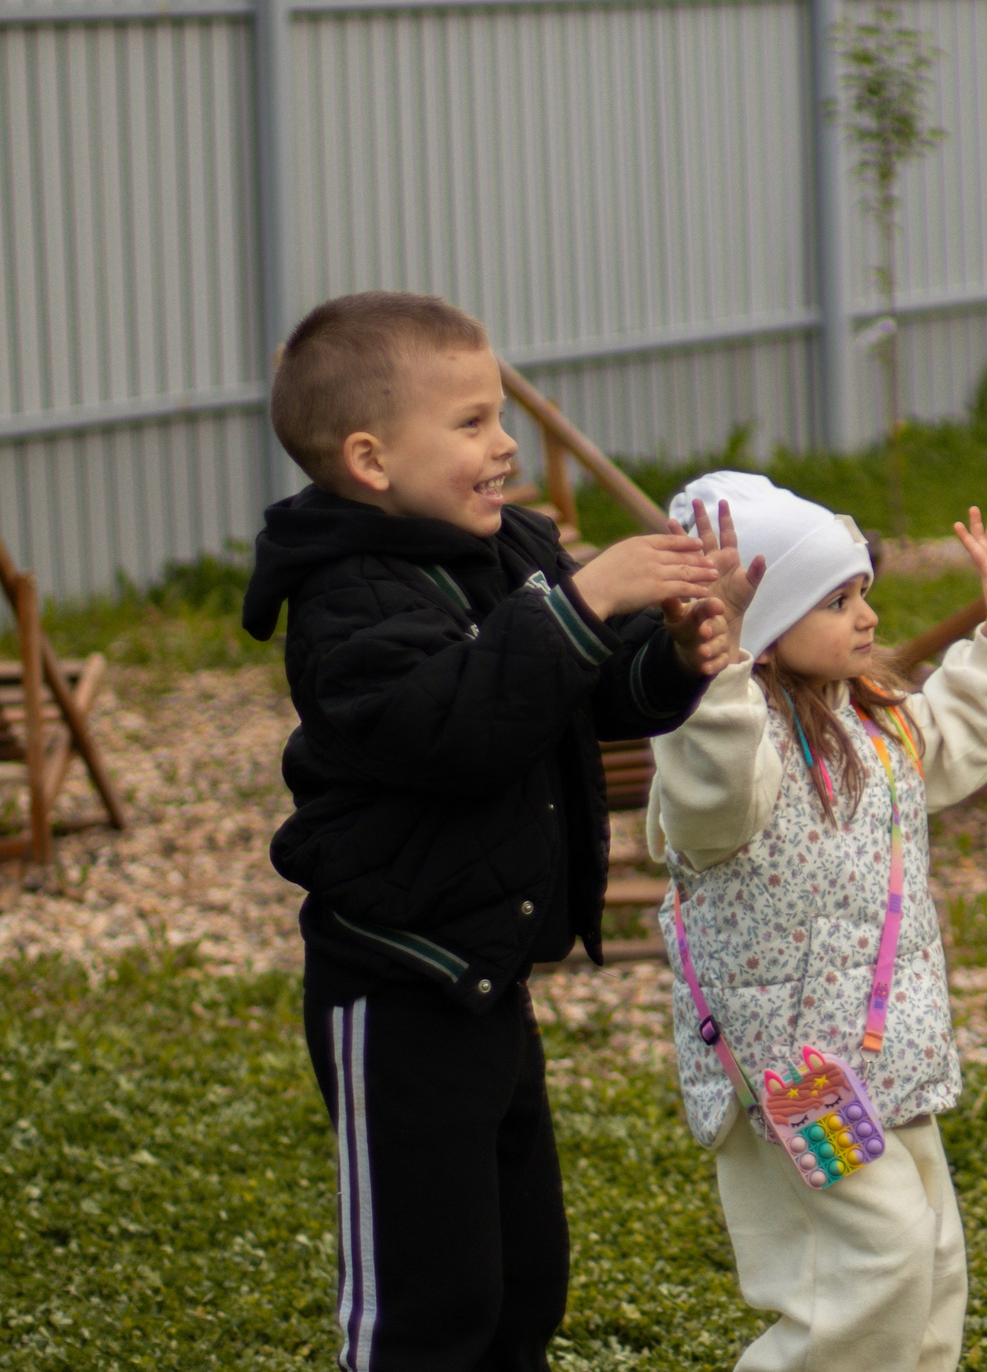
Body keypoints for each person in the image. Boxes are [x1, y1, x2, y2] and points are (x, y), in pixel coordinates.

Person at [241, 290, 731, 1372]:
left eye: (498, 415)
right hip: (396, 980)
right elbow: (445, 727)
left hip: (487, 971)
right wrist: (583, 599)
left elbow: (575, 698)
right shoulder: (344, 600)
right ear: (371, 460)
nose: (504, 444)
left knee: (518, 1278)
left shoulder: (505, 549)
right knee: (423, 1298)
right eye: (470, 422)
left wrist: (670, 659)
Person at [645, 470, 987, 1372]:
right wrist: (719, 663)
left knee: (931, 1260)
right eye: (834, 598)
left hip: (887, 1055)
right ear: (767, 633)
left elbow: (958, 735)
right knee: (872, 1264)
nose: (866, 615)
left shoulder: (874, 727)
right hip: (793, 1075)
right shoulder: (737, 753)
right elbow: (709, 777)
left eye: (864, 590)